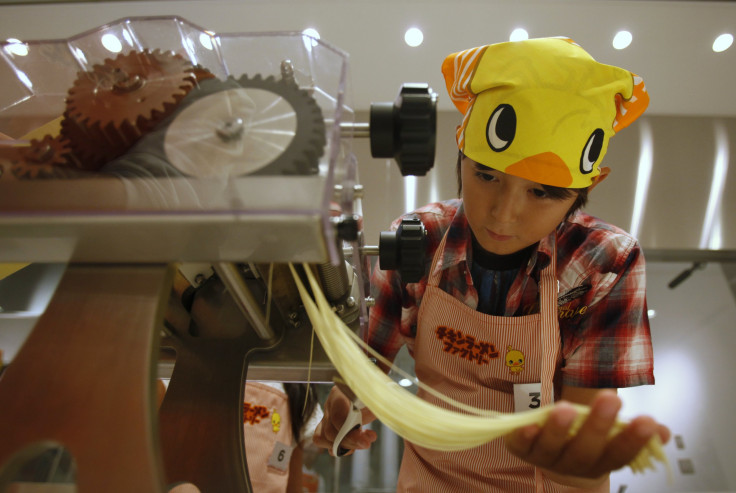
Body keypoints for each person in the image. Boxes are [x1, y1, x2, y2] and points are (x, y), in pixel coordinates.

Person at [313, 37, 670, 491]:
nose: (503, 213)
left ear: (587, 187)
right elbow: (368, 373)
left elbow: (579, 440)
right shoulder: (417, 242)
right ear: (461, 153)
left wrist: (579, 463)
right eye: (486, 176)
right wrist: (346, 407)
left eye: (541, 192)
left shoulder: (602, 261)